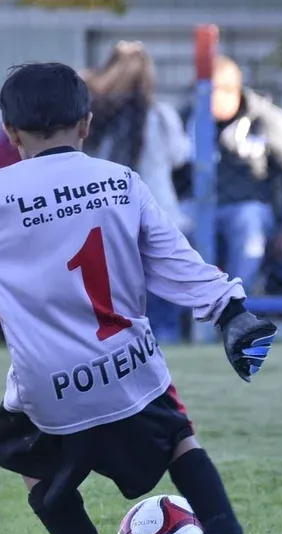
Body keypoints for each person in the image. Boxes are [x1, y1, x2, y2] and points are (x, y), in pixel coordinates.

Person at [0, 63, 282, 534]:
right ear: (85, 124)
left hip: (50, 381)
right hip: (129, 365)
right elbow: (174, 261)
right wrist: (229, 309)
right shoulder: (121, 182)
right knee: (178, 438)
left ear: (10, 133)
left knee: (27, 456)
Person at [84, 41, 192, 342]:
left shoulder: (94, 118)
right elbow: (181, 156)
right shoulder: (161, 115)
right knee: (163, 309)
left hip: (108, 222)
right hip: (161, 217)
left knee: (119, 309)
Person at [174, 56, 282, 292]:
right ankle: (188, 303)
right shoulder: (187, 118)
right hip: (198, 205)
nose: (200, 98)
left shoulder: (264, 118)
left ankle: (236, 300)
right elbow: (172, 172)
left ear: (231, 91)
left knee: (248, 223)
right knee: (171, 224)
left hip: (248, 207)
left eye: (208, 92)